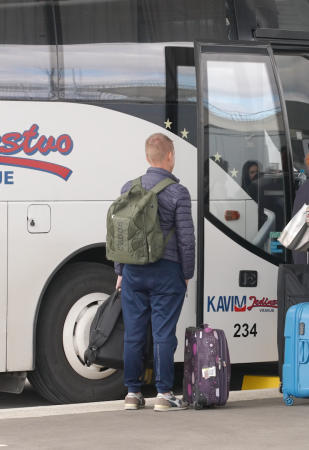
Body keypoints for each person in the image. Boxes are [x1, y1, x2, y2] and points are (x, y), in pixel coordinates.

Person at [115, 133, 195, 411]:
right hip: (166, 270)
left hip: (133, 271)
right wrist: (187, 272)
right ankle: (163, 394)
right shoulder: (178, 192)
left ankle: (132, 393)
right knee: (163, 333)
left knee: (133, 333)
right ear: (170, 157)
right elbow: (186, 238)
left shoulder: (129, 187)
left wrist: (120, 270)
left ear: (147, 158)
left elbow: (119, 233)